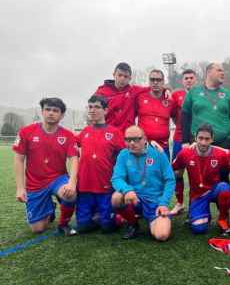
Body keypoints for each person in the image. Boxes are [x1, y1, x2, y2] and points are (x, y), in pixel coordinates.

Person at [13, 98, 78, 235]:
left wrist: (72, 183)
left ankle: (64, 224)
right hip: (35, 183)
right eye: (47, 109)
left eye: (55, 110)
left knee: (70, 194)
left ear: (62, 115)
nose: (51, 113)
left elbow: (74, 159)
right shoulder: (26, 132)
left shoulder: (68, 135)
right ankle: (50, 208)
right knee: (38, 229)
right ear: (42, 111)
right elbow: (19, 159)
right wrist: (20, 188)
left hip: (57, 179)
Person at [172, 123, 230, 235]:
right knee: (199, 229)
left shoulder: (220, 154)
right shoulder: (185, 153)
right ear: (195, 138)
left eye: (207, 139)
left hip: (214, 190)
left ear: (212, 139)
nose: (203, 142)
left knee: (224, 188)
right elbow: (173, 170)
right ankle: (203, 214)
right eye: (200, 138)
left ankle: (223, 219)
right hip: (197, 196)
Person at [181, 62, 230, 183]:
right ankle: (199, 201)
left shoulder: (228, 95)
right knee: (199, 178)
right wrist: (185, 141)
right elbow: (185, 117)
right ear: (209, 72)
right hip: (199, 143)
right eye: (219, 70)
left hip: (224, 143)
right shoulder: (193, 93)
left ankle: (223, 201)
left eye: (223, 70)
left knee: (223, 178)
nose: (223, 73)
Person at [111, 126, 175, 240]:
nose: (131, 143)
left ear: (145, 138)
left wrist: (163, 203)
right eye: (127, 139)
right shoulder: (123, 154)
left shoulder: (158, 153)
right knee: (116, 198)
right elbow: (116, 178)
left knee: (162, 235)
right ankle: (133, 224)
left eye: (136, 139)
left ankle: (156, 218)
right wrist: (127, 190)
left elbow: (170, 180)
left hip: (155, 201)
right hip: (135, 199)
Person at [75, 95, 125, 233]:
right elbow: (70, 145)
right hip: (85, 186)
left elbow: (124, 156)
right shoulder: (84, 132)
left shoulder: (114, 132)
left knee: (108, 228)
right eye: (90, 107)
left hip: (105, 186)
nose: (92, 110)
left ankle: (117, 216)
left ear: (106, 110)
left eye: (97, 107)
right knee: (83, 228)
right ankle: (95, 216)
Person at [170, 69, 198, 215]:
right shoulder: (176, 95)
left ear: (196, 79)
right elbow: (173, 114)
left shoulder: (201, 94)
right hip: (179, 138)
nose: (188, 80)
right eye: (186, 78)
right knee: (177, 172)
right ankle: (179, 203)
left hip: (197, 139)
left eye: (191, 78)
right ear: (182, 81)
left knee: (195, 173)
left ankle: (194, 204)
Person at [94, 62, 147, 133]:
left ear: (130, 78)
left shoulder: (134, 91)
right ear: (114, 75)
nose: (122, 78)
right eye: (120, 75)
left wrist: (166, 90)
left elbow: (152, 89)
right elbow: (93, 114)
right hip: (108, 136)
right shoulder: (101, 92)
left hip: (127, 138)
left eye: (125, 76)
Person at [136, 69, 177, 159]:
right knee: (142, 173)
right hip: (143, 146)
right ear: (149, 81)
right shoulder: (140, 97)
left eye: (158, 80)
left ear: (163, 82)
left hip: (163, 146)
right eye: (152, 79)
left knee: (163, 172)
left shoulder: (170, 100)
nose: (155, 82)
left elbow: (175, 119)